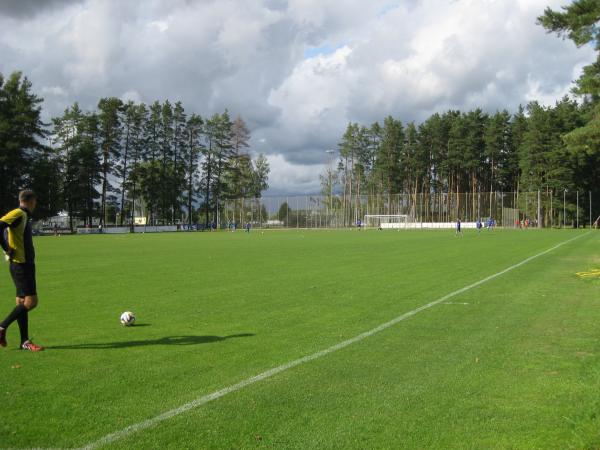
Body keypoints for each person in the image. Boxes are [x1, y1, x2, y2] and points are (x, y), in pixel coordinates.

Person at [0, 190, 44, 351]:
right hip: (22, 264)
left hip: (19, 264)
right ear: (31, 201)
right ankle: (2, 326)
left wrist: (7, 249)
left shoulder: (22, 216)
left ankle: (24, 341)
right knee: (31, 302)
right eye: (35, 202)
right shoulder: (19, 213)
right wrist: (6, 248)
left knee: (21, 302)